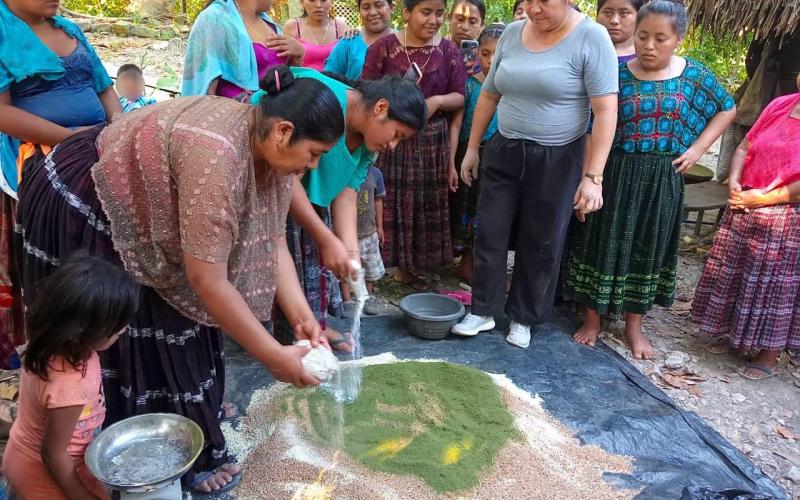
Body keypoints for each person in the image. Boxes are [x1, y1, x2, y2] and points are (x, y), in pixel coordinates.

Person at [15, 66, 344, 494]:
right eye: (314, 153)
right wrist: (274, 357)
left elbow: (271, 236)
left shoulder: (267, 149)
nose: (312, 165)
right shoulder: (217, 157)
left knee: (178, 323)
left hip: (150, 202)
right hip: (93, 201)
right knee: (126, 329)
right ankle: (107, 443)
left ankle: (185, 429)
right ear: (283, 132)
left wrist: (300, 316)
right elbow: (207, 281)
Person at [566, 0, 736, 359]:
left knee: (649, 246)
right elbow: (590, 128)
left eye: (661, 38)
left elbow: (727, 107)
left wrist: (697, 149)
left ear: (679, 39)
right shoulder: (615, 74)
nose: (649, 45)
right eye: (643, 36)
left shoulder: (694, 76)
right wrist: (587, 178)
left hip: (663, 179)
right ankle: (593, 320)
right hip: (614, 172)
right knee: (599, 241)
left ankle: (634, 327)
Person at [450, 0, 619, 349]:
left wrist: (594, 176)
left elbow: (605, 111)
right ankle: (483, 309)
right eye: (529, 1)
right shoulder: (512, 34)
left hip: (558, 157)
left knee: (541, 240)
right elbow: (490, 93)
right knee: (490, 231)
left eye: (545, 1)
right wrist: (472, 148)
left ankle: (524, 317)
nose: (535, 8)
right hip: (505, 149)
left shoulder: (592, 37)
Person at [268, 67, 427, 351]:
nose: (393, 145)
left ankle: (311, 327)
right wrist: (327, 238)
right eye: (397, 134)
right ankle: (276, 337)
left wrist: (351, 255)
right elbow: (286, 182)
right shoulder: (325, 103)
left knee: (310, 260)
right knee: (275, 253)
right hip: (270, 179)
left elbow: (347, 191)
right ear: (381, 107)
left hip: (302, 194)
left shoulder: (369, 143)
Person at [0, 0, 120, 353]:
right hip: (41, 156)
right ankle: (67, 344)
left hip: (99, 143)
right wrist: (75, 140)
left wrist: (117, 126)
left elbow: (104, 87)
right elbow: (3, 113)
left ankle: (110, 326)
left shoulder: (69, 29)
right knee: (69, 253)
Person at [2, 254, 140, 500]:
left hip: (22, 455)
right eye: (117, 324)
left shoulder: (49, 345)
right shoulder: (71, 385)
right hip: (45, 472)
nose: (123, 329)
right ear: (83, 331)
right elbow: (53, 454)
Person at [692, 73, 800, 380]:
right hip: (745, 202)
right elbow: (743, 147)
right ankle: (734, 339)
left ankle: (769, 354)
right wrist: (735, 182)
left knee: (776, 287)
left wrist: (763, 199)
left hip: (786, 215)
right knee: (736, 273)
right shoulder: (779, 105)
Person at [363, 0, 467, 291]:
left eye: (438, 13)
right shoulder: (382, 48)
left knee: (423, 202)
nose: (433, 19)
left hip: (432, 141)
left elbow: (460, 95)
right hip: (389, 136)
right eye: (425, 12)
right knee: (386, 199)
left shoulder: (448, 50)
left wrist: (435, 102)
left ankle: (409, 269)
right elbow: (365, 92)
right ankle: (375, 269)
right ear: (406, 13)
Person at [449, 23, 502, 284]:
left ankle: (487, 267)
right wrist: (452, 161)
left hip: (500, 158)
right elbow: (457, 124)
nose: (491, 60)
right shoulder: (470, 86)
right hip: (471, 155)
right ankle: (467, 264)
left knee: (493, 213)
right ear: (477, 54)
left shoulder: (512, 88)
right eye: (485, 53)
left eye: (498, 53)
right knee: (470, 208)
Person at [182, 0, 304, 98]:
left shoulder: (267, 22)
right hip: (235, 121)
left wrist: (296, 55)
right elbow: (204, 90)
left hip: (278, 120)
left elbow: (283, 75)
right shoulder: (214, 19)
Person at [324, 0, 394, 80]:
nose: (373, 12)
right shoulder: (348, 42)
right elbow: (327, 81)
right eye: (366, 7)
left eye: (379, 5)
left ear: (391, 8)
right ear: (359, 11)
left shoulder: (404, 40)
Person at [355, 165, 387, 315]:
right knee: (347, 268)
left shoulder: (375, 174)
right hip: (347, 234)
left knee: (371, 267)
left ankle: (368, 296)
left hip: (369, 232)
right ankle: (347, 299)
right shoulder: (344, 172)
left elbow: (378, 200)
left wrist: (380, 227)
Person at [284, 0, 350, 71]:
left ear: (331, 2)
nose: (318, 5)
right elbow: (285, 64)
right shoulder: (292, 27)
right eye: (312, 0)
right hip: (304, 80)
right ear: (302, 2)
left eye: (324, 0)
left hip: (335, 80)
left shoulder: (340, 26)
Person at [448, 0, 485, 76]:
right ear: (449, 19)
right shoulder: (433, 53)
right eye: (460, 19)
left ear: (481, 26)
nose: (465, 27)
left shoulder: (487, 60)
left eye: (472, 22)